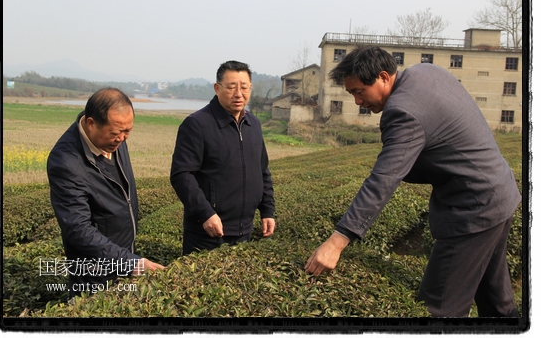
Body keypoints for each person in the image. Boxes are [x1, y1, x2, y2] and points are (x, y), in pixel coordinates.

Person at [304, 46, 521, 318]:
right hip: (499, 193)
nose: (358, 101)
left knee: (438, 306)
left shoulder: (402, 111)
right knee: (495, 298)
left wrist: (337, 242)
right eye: (351, 94)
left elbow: (383, 180)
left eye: (359, 92)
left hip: (474, 210)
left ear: (383, 77)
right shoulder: (424, 71)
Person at [47, 87, 164, 299]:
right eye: (116, 133)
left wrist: (127, 260)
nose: (122, 138)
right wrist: (131, 262)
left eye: (127, 131)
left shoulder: (114, 138)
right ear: (91, 124)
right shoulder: (66, 162)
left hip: (121, 257)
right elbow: (77, 229)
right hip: (93, 273)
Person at [170, 60, 276, 255]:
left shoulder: (253, 124)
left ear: (250, 88)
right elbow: (182, 175)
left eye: (244, 87)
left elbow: (262, 171)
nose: (239, 94)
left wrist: (267, 211)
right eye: (231, 87)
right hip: (207, 232)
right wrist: (206, 214)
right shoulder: (197, 124)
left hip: (245, 231)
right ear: (217, 88)